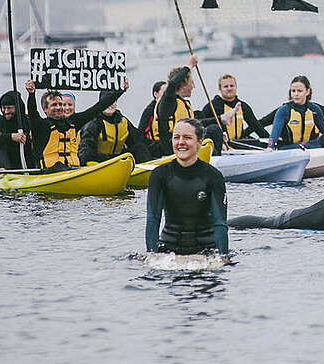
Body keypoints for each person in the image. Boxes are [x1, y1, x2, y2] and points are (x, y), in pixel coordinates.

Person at [145, 118, 228, 255]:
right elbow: (153, 220)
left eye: (187, 138)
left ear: (199, 142)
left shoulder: (213, 176)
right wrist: (151, 254)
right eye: (176, 137)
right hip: (169, 249)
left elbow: (220, 223)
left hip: (206, 250)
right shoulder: (160, 175)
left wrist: (222, 256)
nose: (181, 142)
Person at [24, 79, 125, 170]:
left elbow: (98, 107)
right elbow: (32, 112)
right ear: (45, 109)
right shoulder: (40, 126)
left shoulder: (73, 122)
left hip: (73, 171)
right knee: (59, 166)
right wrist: (32, 94)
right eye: (54, 105)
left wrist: (120, 91)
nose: (59, 107)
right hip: (48, 173)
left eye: (60, 104)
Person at [153, 54, 225, 156]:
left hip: (187, 142)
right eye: (192, 83)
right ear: (183, 84)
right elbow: (173, 84)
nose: (193, 86)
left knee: (214, 131)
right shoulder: (168, 102)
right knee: (214, 130)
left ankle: (215, 160)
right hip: (170, 147)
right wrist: (189, 65)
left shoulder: (185, 103)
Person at [79, 91, 154, 165]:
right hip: (99, 163)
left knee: (139, 149)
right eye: (106, 101)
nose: (110, 105)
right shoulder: (93, 123)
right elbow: (85, 151)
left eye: (113, 101)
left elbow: (138, 142)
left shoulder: (123, 121)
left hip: (117, 163)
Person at [270, 75, 324, 148]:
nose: (296, 94)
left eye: (300, 91)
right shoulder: (283, 111)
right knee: (309, 144)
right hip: (289, 148)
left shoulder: (315, 109)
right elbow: (274, 134)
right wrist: (270, 147)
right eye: (293, 91)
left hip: (310, 146)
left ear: (307, 91)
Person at [201, 74, 270, 142]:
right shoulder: (213, 106)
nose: (229, 89)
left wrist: (271, 143)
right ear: (220, 89)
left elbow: (256, 126)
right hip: (223, 144)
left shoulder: (243, 106)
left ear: (236, 87)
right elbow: (201, 123)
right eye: (225, 86)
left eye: (232, 86)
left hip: (239, 143)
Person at [0, 90, 29, 170]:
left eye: (9, 108)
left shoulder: (27, 121)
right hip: (2, 170)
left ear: (17, 108)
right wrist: (10, 137)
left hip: (26, 168)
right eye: (4, 108)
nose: (6, 112)